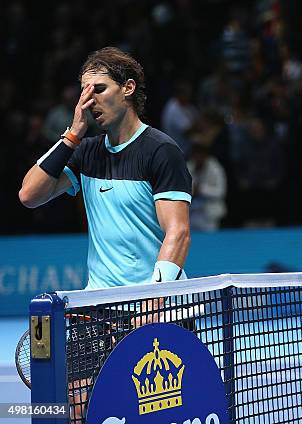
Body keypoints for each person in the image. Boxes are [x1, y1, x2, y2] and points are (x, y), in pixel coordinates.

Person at [18, 47, 192, 421]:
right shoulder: (85, 154)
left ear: (128, 88)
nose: (88, 100)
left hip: (159, 307)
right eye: (83, 91)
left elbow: (177, 233)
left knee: (154, 412)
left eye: (98, 88)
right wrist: (72, 135)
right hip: (94, 308)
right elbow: (29, 195)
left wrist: (152, 301)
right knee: (77, 409)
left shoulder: (161, 152)